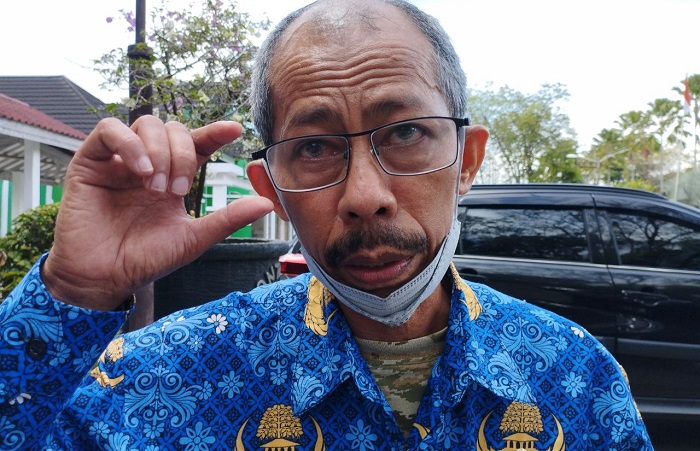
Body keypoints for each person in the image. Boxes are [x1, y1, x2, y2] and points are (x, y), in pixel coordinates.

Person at [0, 0, 653, 449]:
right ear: (272, 190)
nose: (365, 196)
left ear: (467, 160)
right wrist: (74, 289)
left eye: (405, 133)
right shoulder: (159, 382)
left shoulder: (574, 376)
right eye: (314, 147)